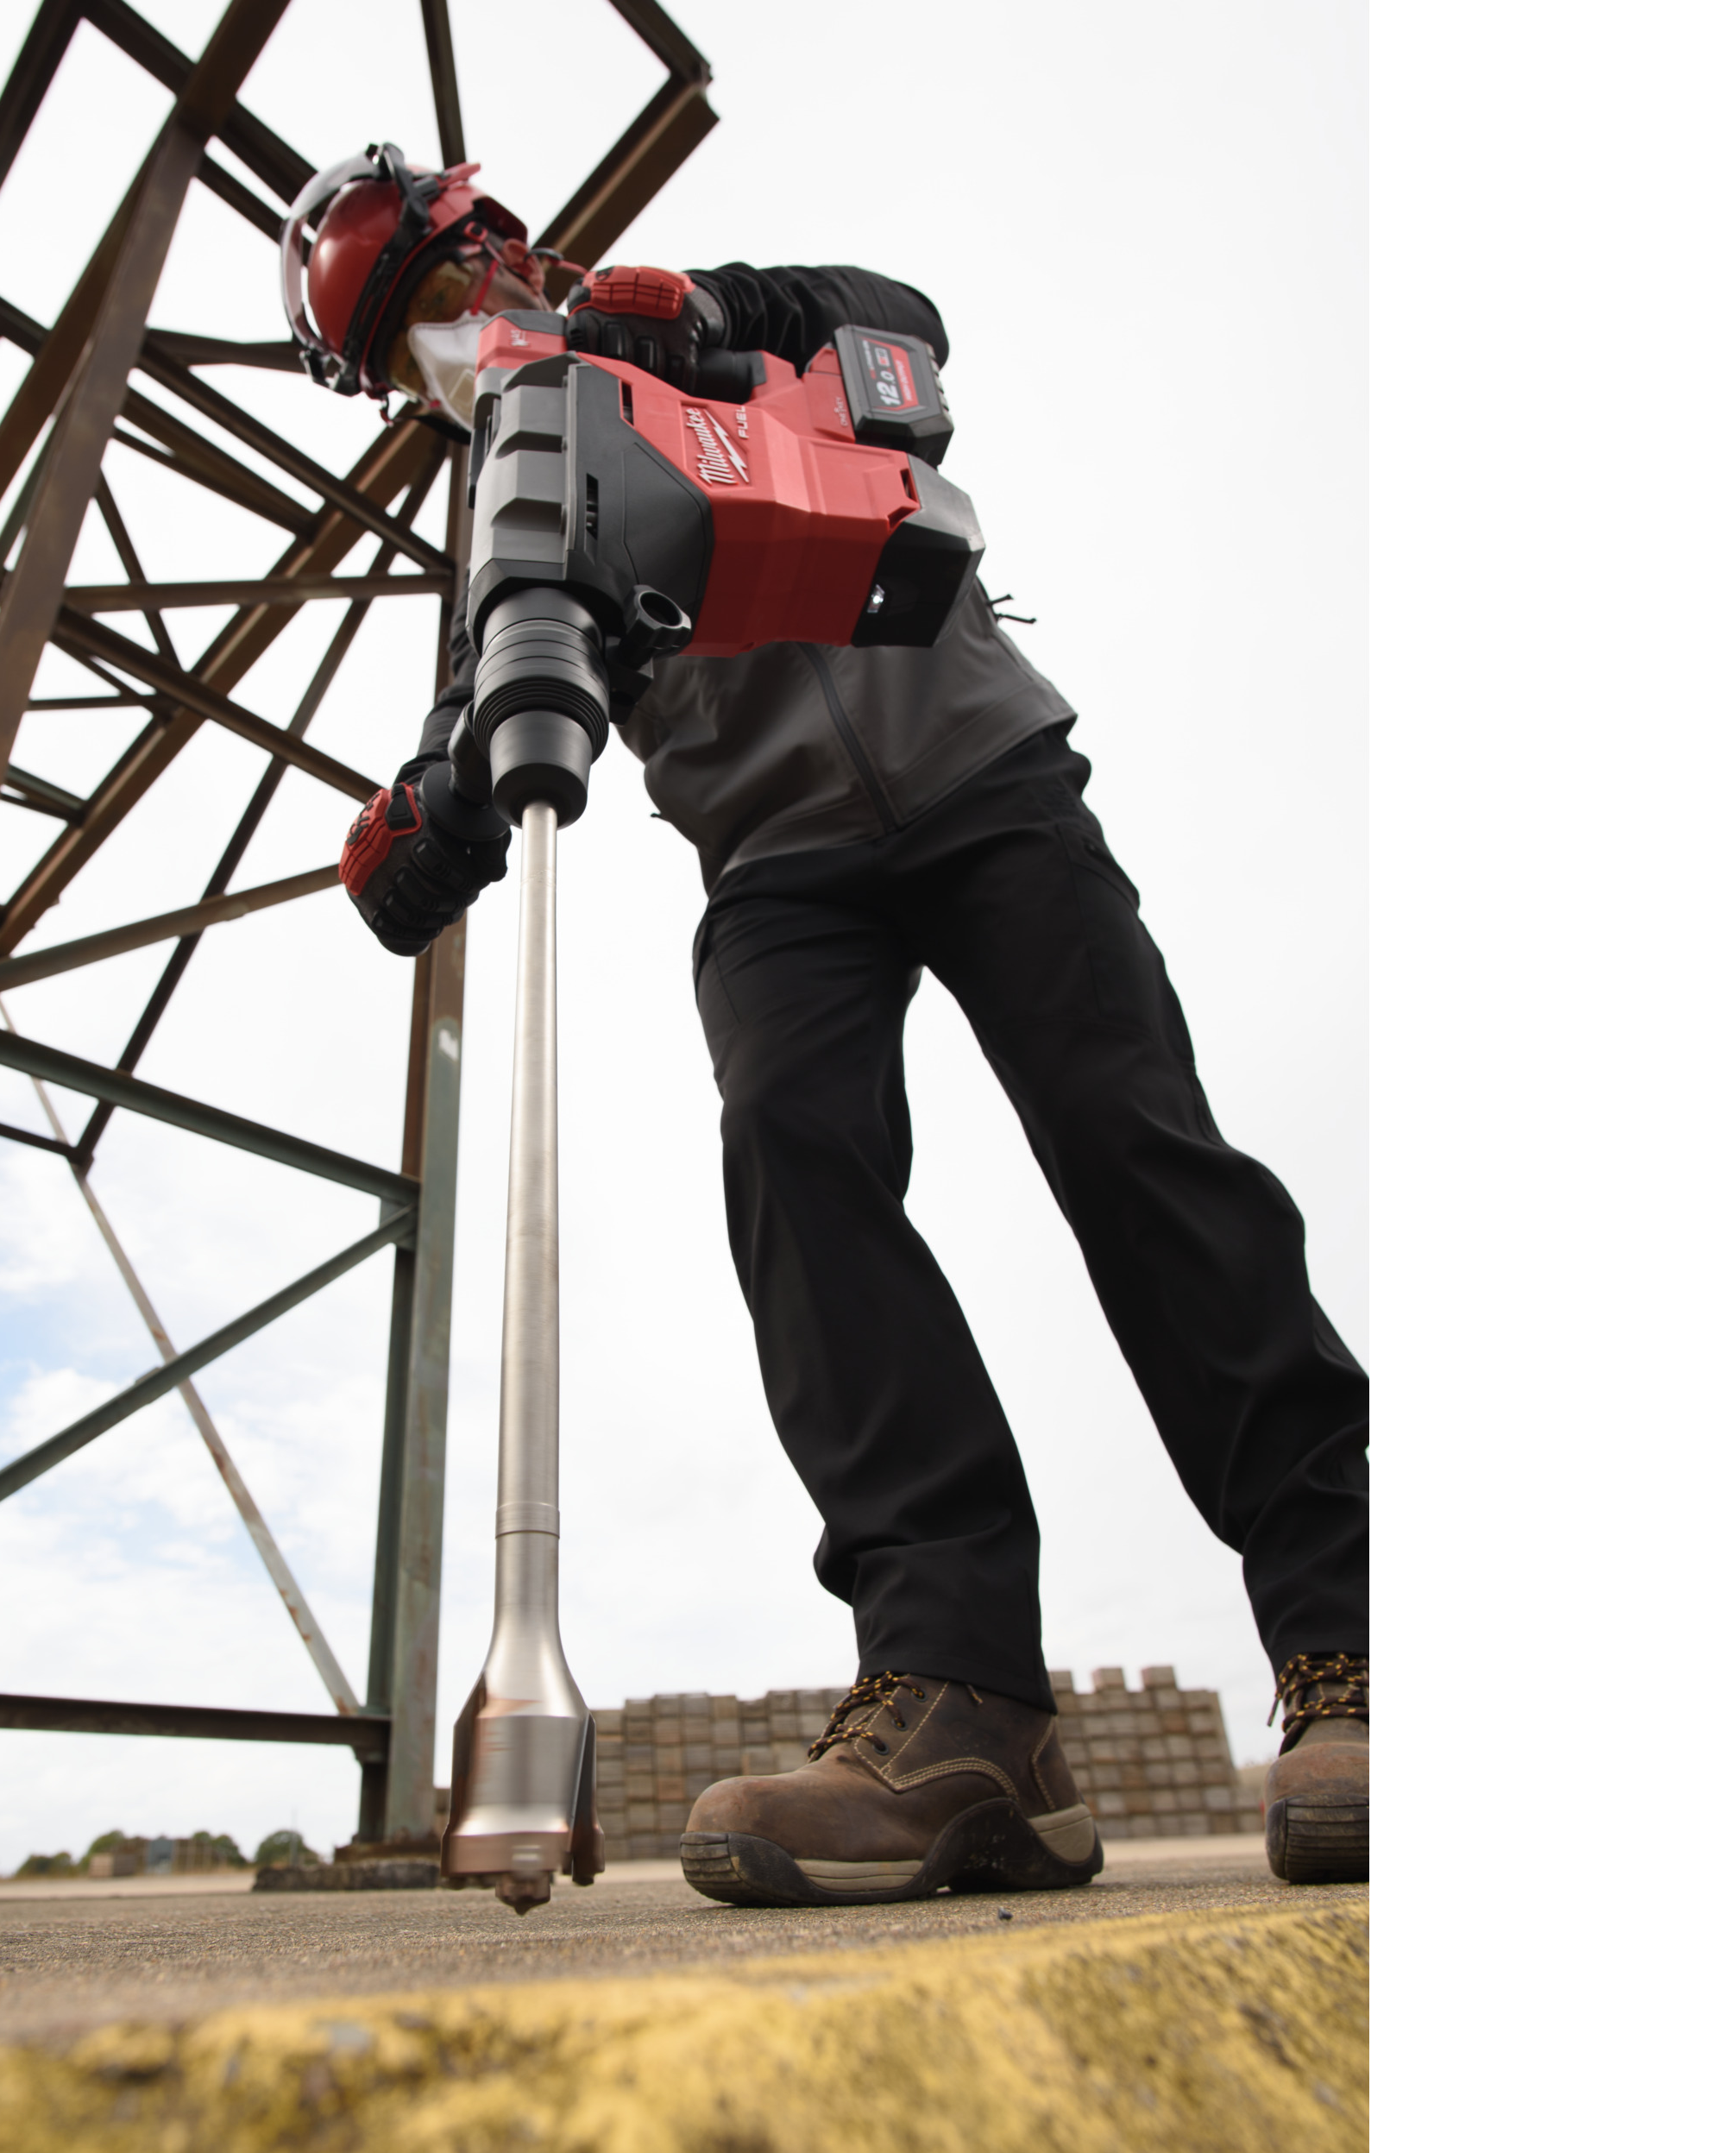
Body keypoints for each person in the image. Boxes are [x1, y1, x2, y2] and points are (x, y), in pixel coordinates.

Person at [286, 147, 1369, 1903]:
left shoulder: (700, 327)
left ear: (501, 245)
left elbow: (900, 323)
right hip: (774, 858)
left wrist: (716, 314)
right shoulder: (512, 488)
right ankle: (962, 1705)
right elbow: (497, 683)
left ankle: (1354, 1639)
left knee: (1133, 1144)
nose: (443, 347)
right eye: (402, 350)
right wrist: (432, 804)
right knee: (792, 1151)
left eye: (439, 296)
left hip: (980, 776)